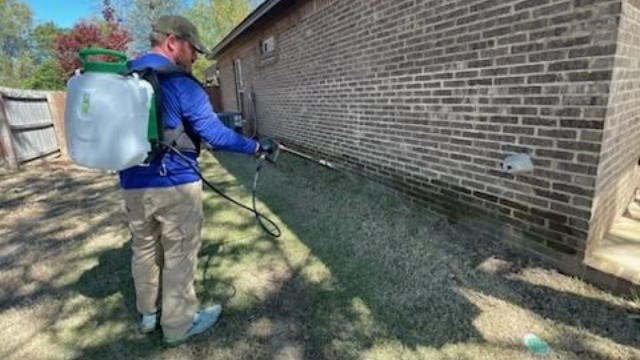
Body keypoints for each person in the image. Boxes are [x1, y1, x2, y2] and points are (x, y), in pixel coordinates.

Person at [119, 15, 272, 346]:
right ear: (173, 42)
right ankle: (177, 325)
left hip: (132, 183)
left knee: (143, 248)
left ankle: (148, 314)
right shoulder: (180, 82)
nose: (196, 57)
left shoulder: (124, 77)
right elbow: (214, 134)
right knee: (179, 254)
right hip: (175, 184)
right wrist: (255, 146)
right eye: (193, 49)